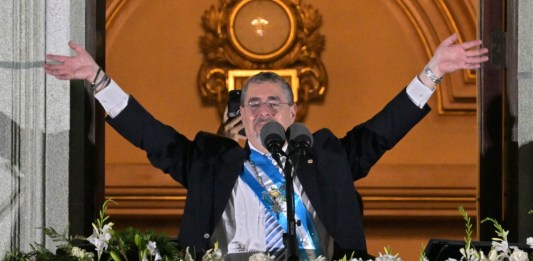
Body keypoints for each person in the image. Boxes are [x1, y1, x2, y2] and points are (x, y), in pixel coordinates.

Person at [44, 33, 488, 260]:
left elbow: (381, 132)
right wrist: (99, 81)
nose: (262, 110)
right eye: (253, 102)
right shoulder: (211, 161)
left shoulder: (326, 156)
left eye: (273, 102)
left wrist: (431, 74)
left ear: (292, 113)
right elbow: (152, 135)